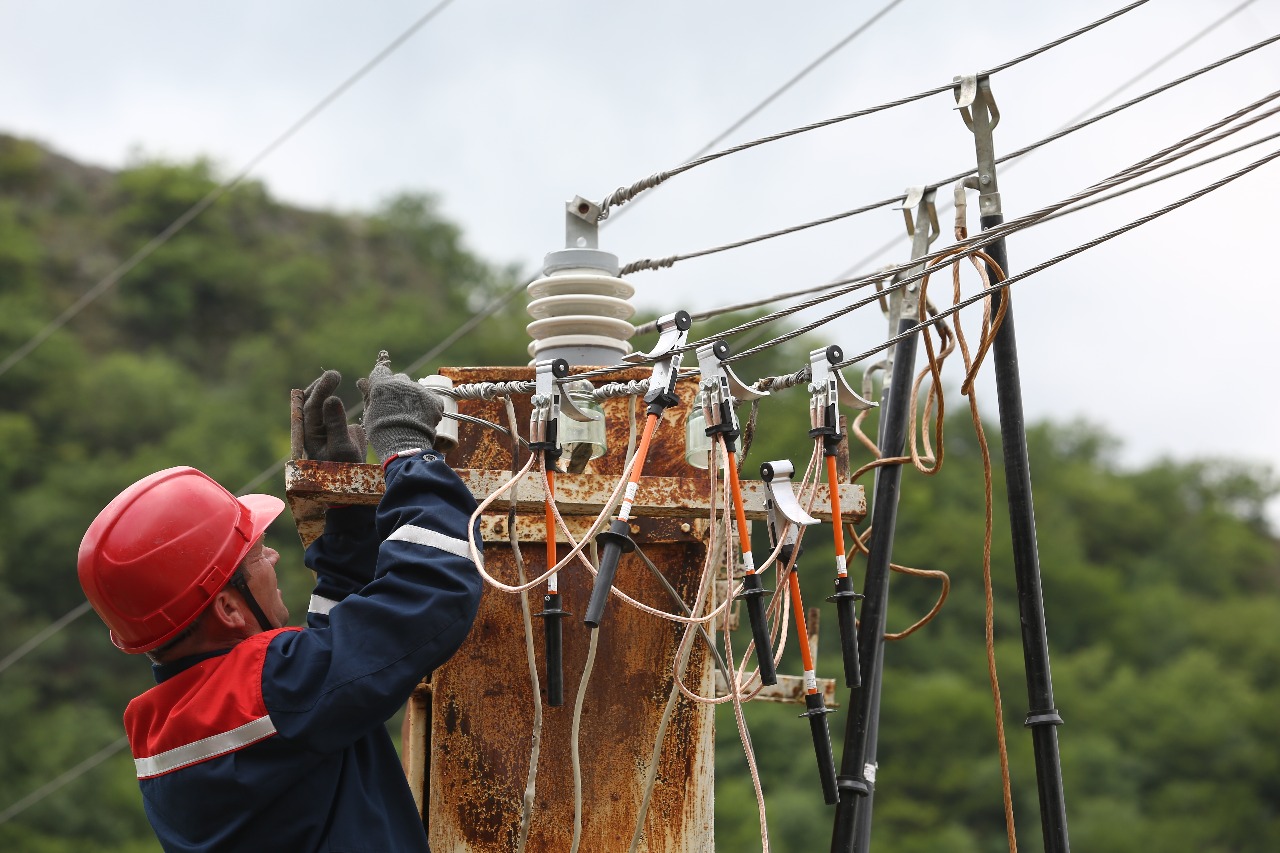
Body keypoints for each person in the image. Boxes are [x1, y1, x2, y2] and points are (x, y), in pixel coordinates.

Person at [76, 354, 482, 852]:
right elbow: (432, 589)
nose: (271, 554)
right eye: (253, 556)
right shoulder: (274, 693)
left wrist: (348, 520)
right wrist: (407, 451)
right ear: (227, 609)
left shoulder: (173, 725)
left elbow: (334, 667)